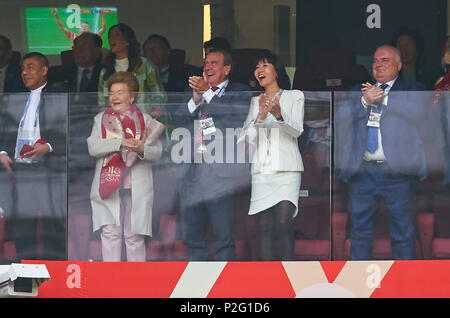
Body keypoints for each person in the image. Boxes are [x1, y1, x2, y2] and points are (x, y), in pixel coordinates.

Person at [335, 45, 427, 260]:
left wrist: (383, 98)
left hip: (397, 172)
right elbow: (340, 119)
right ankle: (358, 288)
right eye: (375, 61)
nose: (378, 64)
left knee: (403, 232)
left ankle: (405, 288)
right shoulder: (360, 90)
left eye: (385, 60)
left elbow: (418, 112)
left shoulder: (412, 88)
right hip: (363, 171)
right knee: (360, 233)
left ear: (399, 65)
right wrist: (365, 100)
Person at [174, 48, 251, 261]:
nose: (207, 67)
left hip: (220, 171)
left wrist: (208, 93)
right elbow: (178, 120)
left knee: (223, 234)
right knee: (192, 234)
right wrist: (197, 99)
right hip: (191, 169)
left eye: (214, 63)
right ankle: (198, 284)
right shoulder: (193, 91)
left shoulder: (239, 91)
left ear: (227, 69)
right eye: (206, 63)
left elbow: (233, 121)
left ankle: (224, 286)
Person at [87, 71, 164, 261]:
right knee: (110, 235)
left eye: (120, 92)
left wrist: (141, 148)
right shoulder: (100, 119)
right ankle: (110, 282)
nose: (115, 97)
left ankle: (136, 283)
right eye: (112, 93)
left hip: (135, 186)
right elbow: (93, 147)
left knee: (135, 237)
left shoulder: (145, 119)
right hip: (109, 186)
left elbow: (158, 153)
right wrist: (119, 144)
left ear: (132, 96)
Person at [0, 52, 67, 261]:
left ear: (44, 70)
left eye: (30, 67)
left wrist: (48, 146)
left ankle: (56, 273)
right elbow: (6, 130)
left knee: (52, 223)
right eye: (22, 68)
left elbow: (70, 129)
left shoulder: (57, 94)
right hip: (23, 168)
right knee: (23, 224)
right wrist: (3, 153)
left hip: (49, 169)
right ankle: (23, 269)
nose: (24, 72)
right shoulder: (17, 98)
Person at [239, 52, 304, 260]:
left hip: (287, 169)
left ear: (277, 71)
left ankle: (287, 276)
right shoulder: (255, 101)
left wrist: (278, 115)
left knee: (284, 222)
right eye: (257, 67)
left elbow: (297, 131)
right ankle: (269, 279)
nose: (260, 70)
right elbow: (246, 137)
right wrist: (259, 116)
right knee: (264, 226)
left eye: (265, 65)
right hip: (262, 170)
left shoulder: (295, 96)